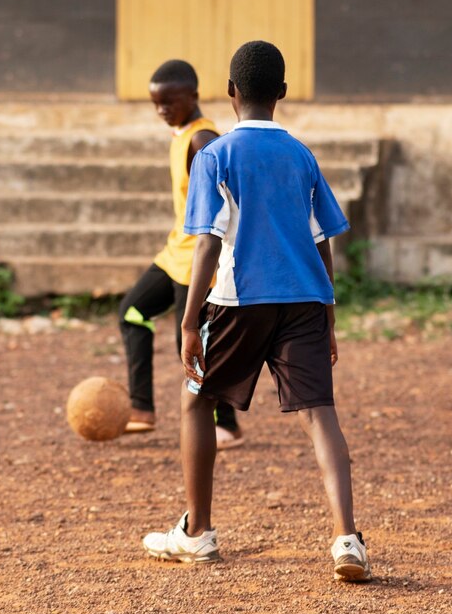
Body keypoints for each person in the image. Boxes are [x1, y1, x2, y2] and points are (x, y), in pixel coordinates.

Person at [142, 41, 369, 582]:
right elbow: (323, 242)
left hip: (240, 300)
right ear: (283, 94)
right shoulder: (301, 155)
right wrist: (329, 315)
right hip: (305, 300)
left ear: (230, 92)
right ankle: (347, 541)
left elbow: (206, 244)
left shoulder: (217, 154)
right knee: (321, 414)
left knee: (195, 400)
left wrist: (190, 319)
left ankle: (196, 534)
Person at [119, 59, 243, 448]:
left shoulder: (203, 141)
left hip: (197, 261)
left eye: (169, 102)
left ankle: (227, 424)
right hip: (175, 252)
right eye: (156, 103)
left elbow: (227, 200)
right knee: (132, 312)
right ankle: (142, 408)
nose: (162, 110)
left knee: (189, 344)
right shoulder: (182, 133)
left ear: (193, 96)